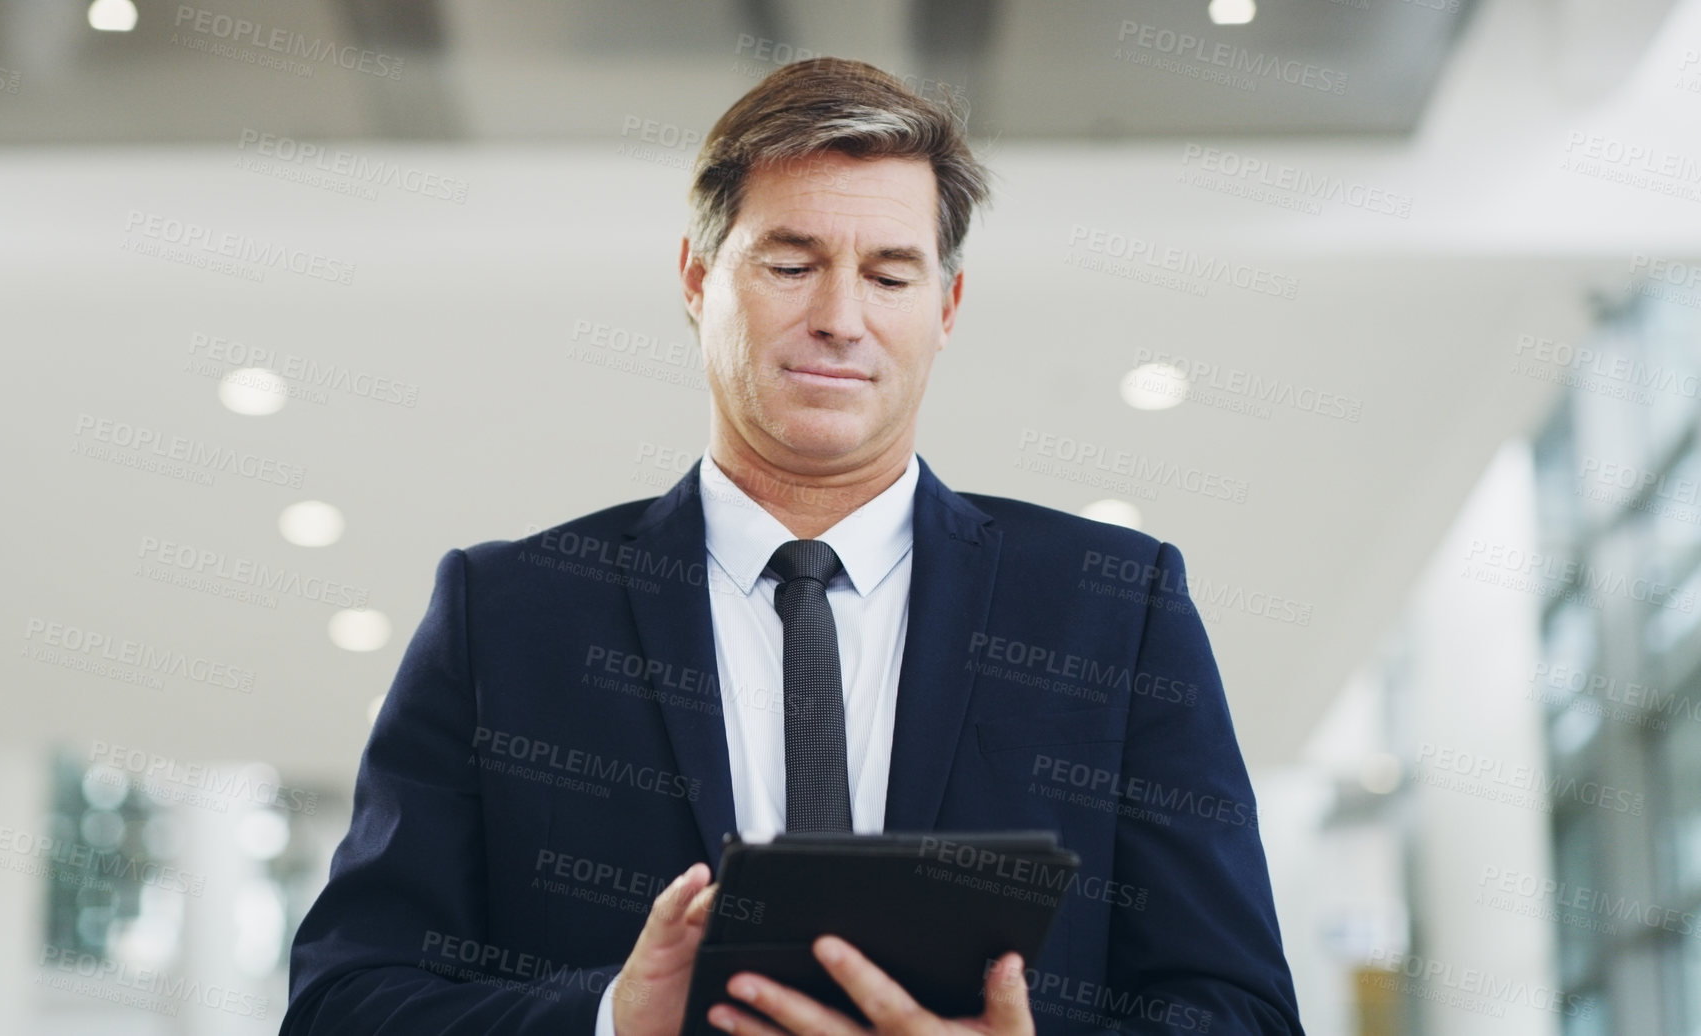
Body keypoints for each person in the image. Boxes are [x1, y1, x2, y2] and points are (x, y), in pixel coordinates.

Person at [283, 57, 1303, 1036]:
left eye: (890, 274)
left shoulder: (1113, 608)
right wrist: (605, 1018)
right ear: (696, 277)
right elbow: (343, 1005)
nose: (839, 318)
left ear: (945, 309)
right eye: (790, 263)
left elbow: (1241, 1011)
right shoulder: (505, 614)